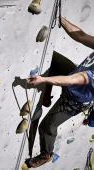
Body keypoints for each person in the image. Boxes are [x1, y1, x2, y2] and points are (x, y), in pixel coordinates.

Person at [25, 17, 94, 168]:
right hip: (73, 78)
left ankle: (46, 154)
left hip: (75, 101)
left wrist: (43, 80)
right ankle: (46, 95)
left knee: (47, 127)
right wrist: (60, 17)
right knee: (54, 59)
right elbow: (80, 35)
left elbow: (73, 80)